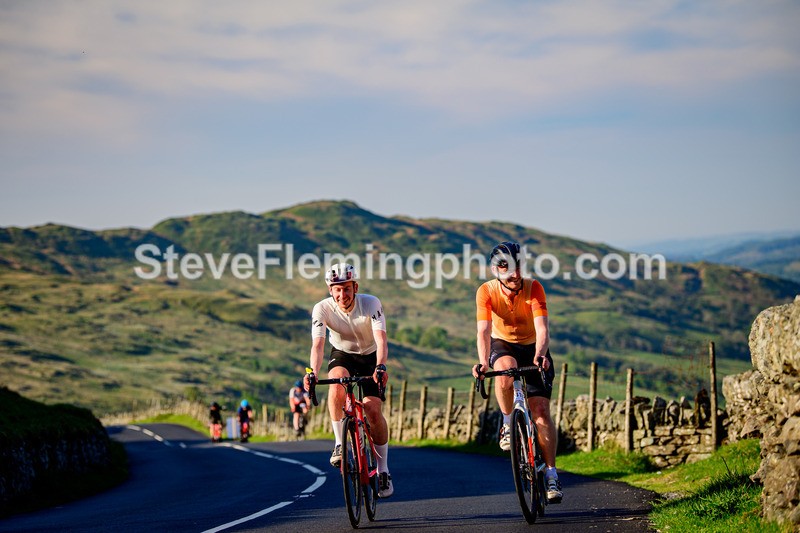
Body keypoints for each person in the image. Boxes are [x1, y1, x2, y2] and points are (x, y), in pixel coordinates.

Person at [471, 241, 563, 504]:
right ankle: (507, 422)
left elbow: (542, 328)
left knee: (541, 412)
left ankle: (552, 474)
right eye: (506, 267)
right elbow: (483, 331)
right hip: (502, 344)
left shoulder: (534, 288)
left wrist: (541, 354)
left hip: (534, 346)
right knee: (505, 371)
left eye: (518, 266)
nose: (514, 273)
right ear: (495, 269)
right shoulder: (486, 291)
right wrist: (483, 363)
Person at [304, 262, 393, 498]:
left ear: (355, 287)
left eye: (346, 288)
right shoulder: (321, 309)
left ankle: (383, 470)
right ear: (330, 290)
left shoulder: (371, 303)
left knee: (373, 410)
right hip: (342, 354)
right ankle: (339, 443)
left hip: (371, 356)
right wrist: (312, 372)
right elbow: (318, 345)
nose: (342, 294)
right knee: (336, 383)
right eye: (337, 289)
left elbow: (381, 340)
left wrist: (380, 366)